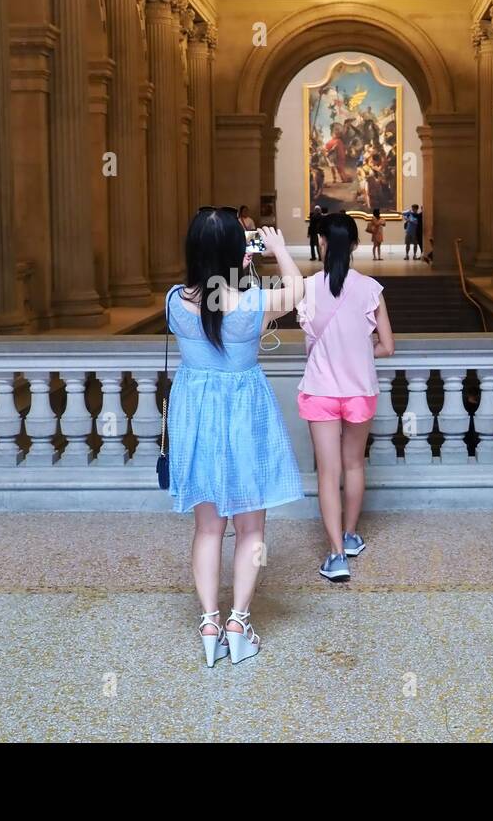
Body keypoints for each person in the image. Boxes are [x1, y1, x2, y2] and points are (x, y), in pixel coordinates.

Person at [165, 209, 305, 666]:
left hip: (197, 416)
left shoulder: (173, 302)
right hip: (246, 415)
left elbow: (204, 309)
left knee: (208, 527)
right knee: (251, 529)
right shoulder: (253, 305)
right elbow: (299, 291)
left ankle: (208, 622)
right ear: (236, 251)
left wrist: (226, 275)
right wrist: (279, 250)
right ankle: (238, 623)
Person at [297, 213, 394, 582]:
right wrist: (360, 344)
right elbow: (387, 346)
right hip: (359, 391)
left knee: (328, 473)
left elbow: (309, 343)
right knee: (354, 464)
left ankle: (336, 555)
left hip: (320, 390)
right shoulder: (371, 288)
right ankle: (351, 535)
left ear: (321, 242)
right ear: (355, 245)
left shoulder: (306, 288)